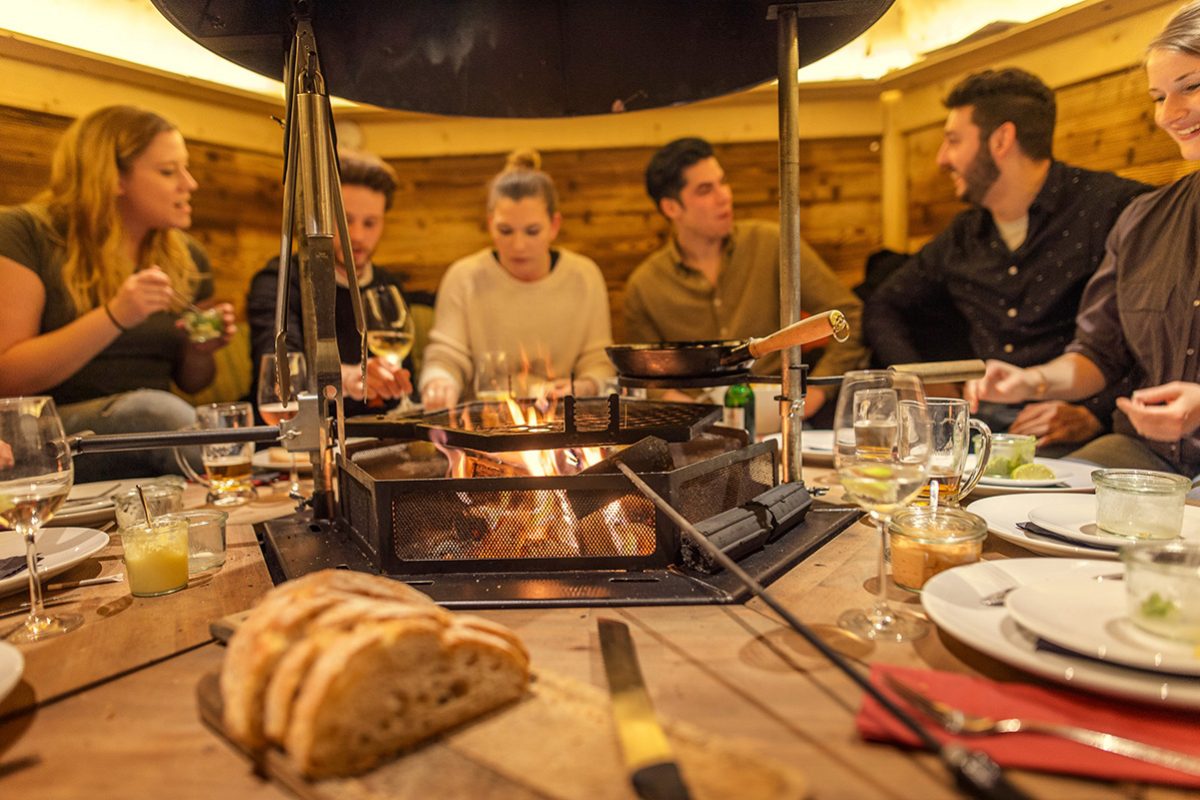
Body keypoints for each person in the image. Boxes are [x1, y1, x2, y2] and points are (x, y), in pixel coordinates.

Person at [864, 69, 1150, 453]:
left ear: (1001, 139)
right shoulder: (963, 235)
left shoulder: (1114, 208)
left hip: (1084, 439)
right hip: (983, 432)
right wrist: (920, 383)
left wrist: (1096, 412)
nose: (942, 159)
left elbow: (1155, 333)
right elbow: (883, 305)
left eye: (952, 141)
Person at [969, 1, 1200, 476]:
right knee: (1003, 501)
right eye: (1158, 96)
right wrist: (1028, 381)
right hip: (1145, 458)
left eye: (1191, 87)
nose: (1168, 114)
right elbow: (1098, 355)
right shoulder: (1142, 220)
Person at [0, 105, 236, 481]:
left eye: (185, 168)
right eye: (168, 171)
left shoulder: (187, 255)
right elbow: (8, 375)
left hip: (154, 431)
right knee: (155, 414)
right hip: (48, 430)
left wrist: (200, 348)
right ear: (113, 178)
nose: (189, 184)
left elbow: (193, 381)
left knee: (192, 420)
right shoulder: (24, 232)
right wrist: (115, 316)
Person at [622, 136, 867, 422]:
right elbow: (640, 376)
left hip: (780, 414)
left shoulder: (772, 244)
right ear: (671, 208)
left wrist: (817, 391)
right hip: (697, 424)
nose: (724, 195)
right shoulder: (645, 285)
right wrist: (673, 402)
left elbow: (849, 315)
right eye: (705, 190)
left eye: (723, 182)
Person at [419, 150, 615, 411]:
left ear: (554, 225)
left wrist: (585, 386)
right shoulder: (464, 277)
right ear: (490, 225)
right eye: (505, 231)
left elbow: (598, 360)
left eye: (532, 231)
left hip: (561, 419)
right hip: (483, 422)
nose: (518, 245)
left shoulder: (584, 275)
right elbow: (446, 357)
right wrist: (440, 382)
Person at [246, 149, 415, 418]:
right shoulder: (280, 280)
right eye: (346, 221)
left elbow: (406, 385)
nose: (357, 236)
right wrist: (349, 377)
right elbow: (282, 373)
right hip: (296, 438)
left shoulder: (388, 286)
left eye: (370, 223)